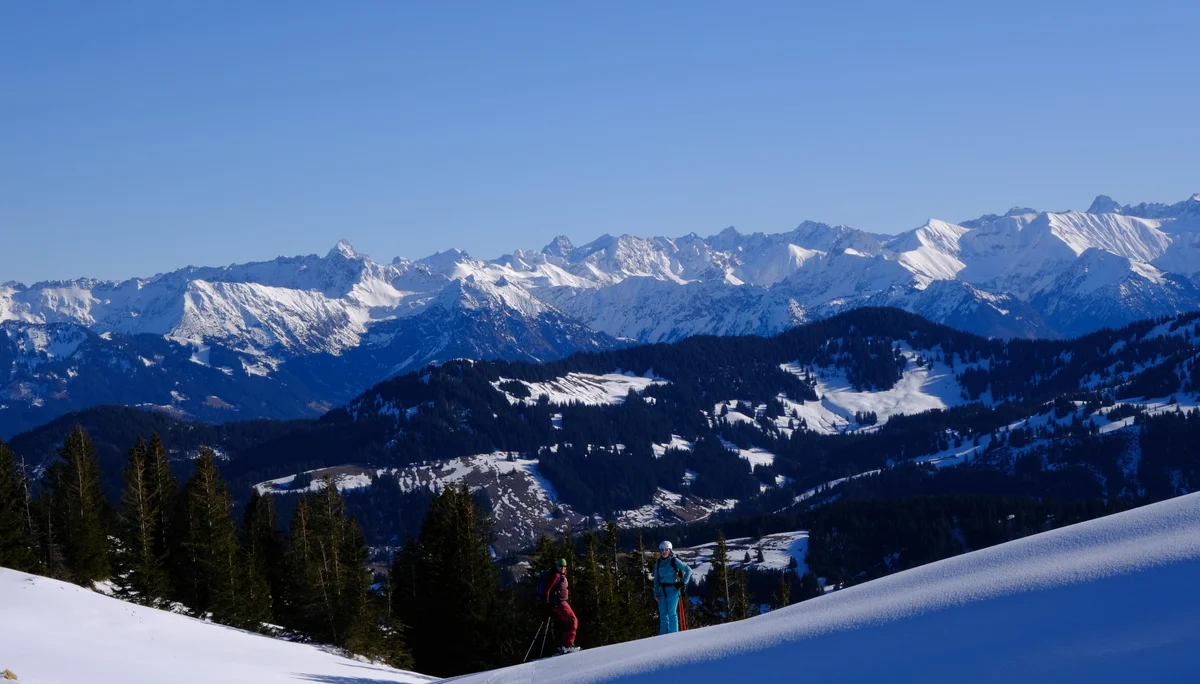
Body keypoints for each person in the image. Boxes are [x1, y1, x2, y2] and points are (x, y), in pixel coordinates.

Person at [540, 558, 580, 654]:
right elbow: (547, 589)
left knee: (567, 622)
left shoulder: (560, 575)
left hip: (561, 602)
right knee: (572, 620)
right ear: (556, 566)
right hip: (559, 603)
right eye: (560, 565)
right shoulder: (555, 575)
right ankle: (568, 645)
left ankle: (564, 645)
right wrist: (547, 600)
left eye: (564, 566)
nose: (562, 568)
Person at [653, 540, 692, 635]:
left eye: (666, 549)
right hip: (662, 591)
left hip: (673, 590)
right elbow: (656, 579)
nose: (664, 551)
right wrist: (656, 593)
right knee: (663, 615)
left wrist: (682, 583)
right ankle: (663, 636)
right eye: (662, 550)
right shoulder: (658, 563)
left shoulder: (674, 560)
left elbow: (688, 570)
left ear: (670, 550)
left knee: (671, 613)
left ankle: (673, 636)